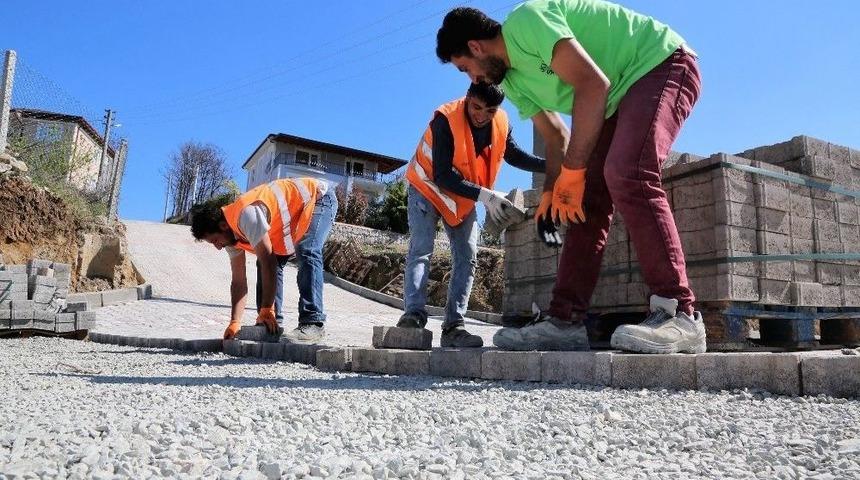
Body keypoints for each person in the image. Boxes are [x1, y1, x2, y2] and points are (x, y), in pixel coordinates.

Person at [435, 0, 705, 353]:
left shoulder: (527, 21)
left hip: (658, 63)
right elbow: (556, 137)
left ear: (475, 47)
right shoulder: (513, 83)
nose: (473, 79)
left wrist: (574, 171)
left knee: (627, 171)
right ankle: (565, 321)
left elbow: (592, 84)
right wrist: (552, 193)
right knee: (585, 203)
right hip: (613, 97)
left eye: (465, 68)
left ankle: (678, 313)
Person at [401, 82, 545, 347]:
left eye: (489, 110)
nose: (481, 115)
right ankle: (413, 316)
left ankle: (454, 326)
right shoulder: (446, 119)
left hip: (463, 195)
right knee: (421, 250)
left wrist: (551, 165)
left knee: (468, 258)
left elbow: (512, 154)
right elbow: (443, 175)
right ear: (467, 98)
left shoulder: (500, 122)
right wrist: (488, 197)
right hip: (427, 187)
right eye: (476, 107)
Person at [190, 177, 337, 343]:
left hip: (318, 198)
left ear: (222, 226)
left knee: (307, 249)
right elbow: (239, 281)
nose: (217, 247)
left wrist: (266, 307)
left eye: (215, 240)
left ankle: (313, 323)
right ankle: (271, 325)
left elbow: (269, 262)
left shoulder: (247, 215)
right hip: (293, 216)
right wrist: (235, 322)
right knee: (265, 261)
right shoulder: (231, 237)